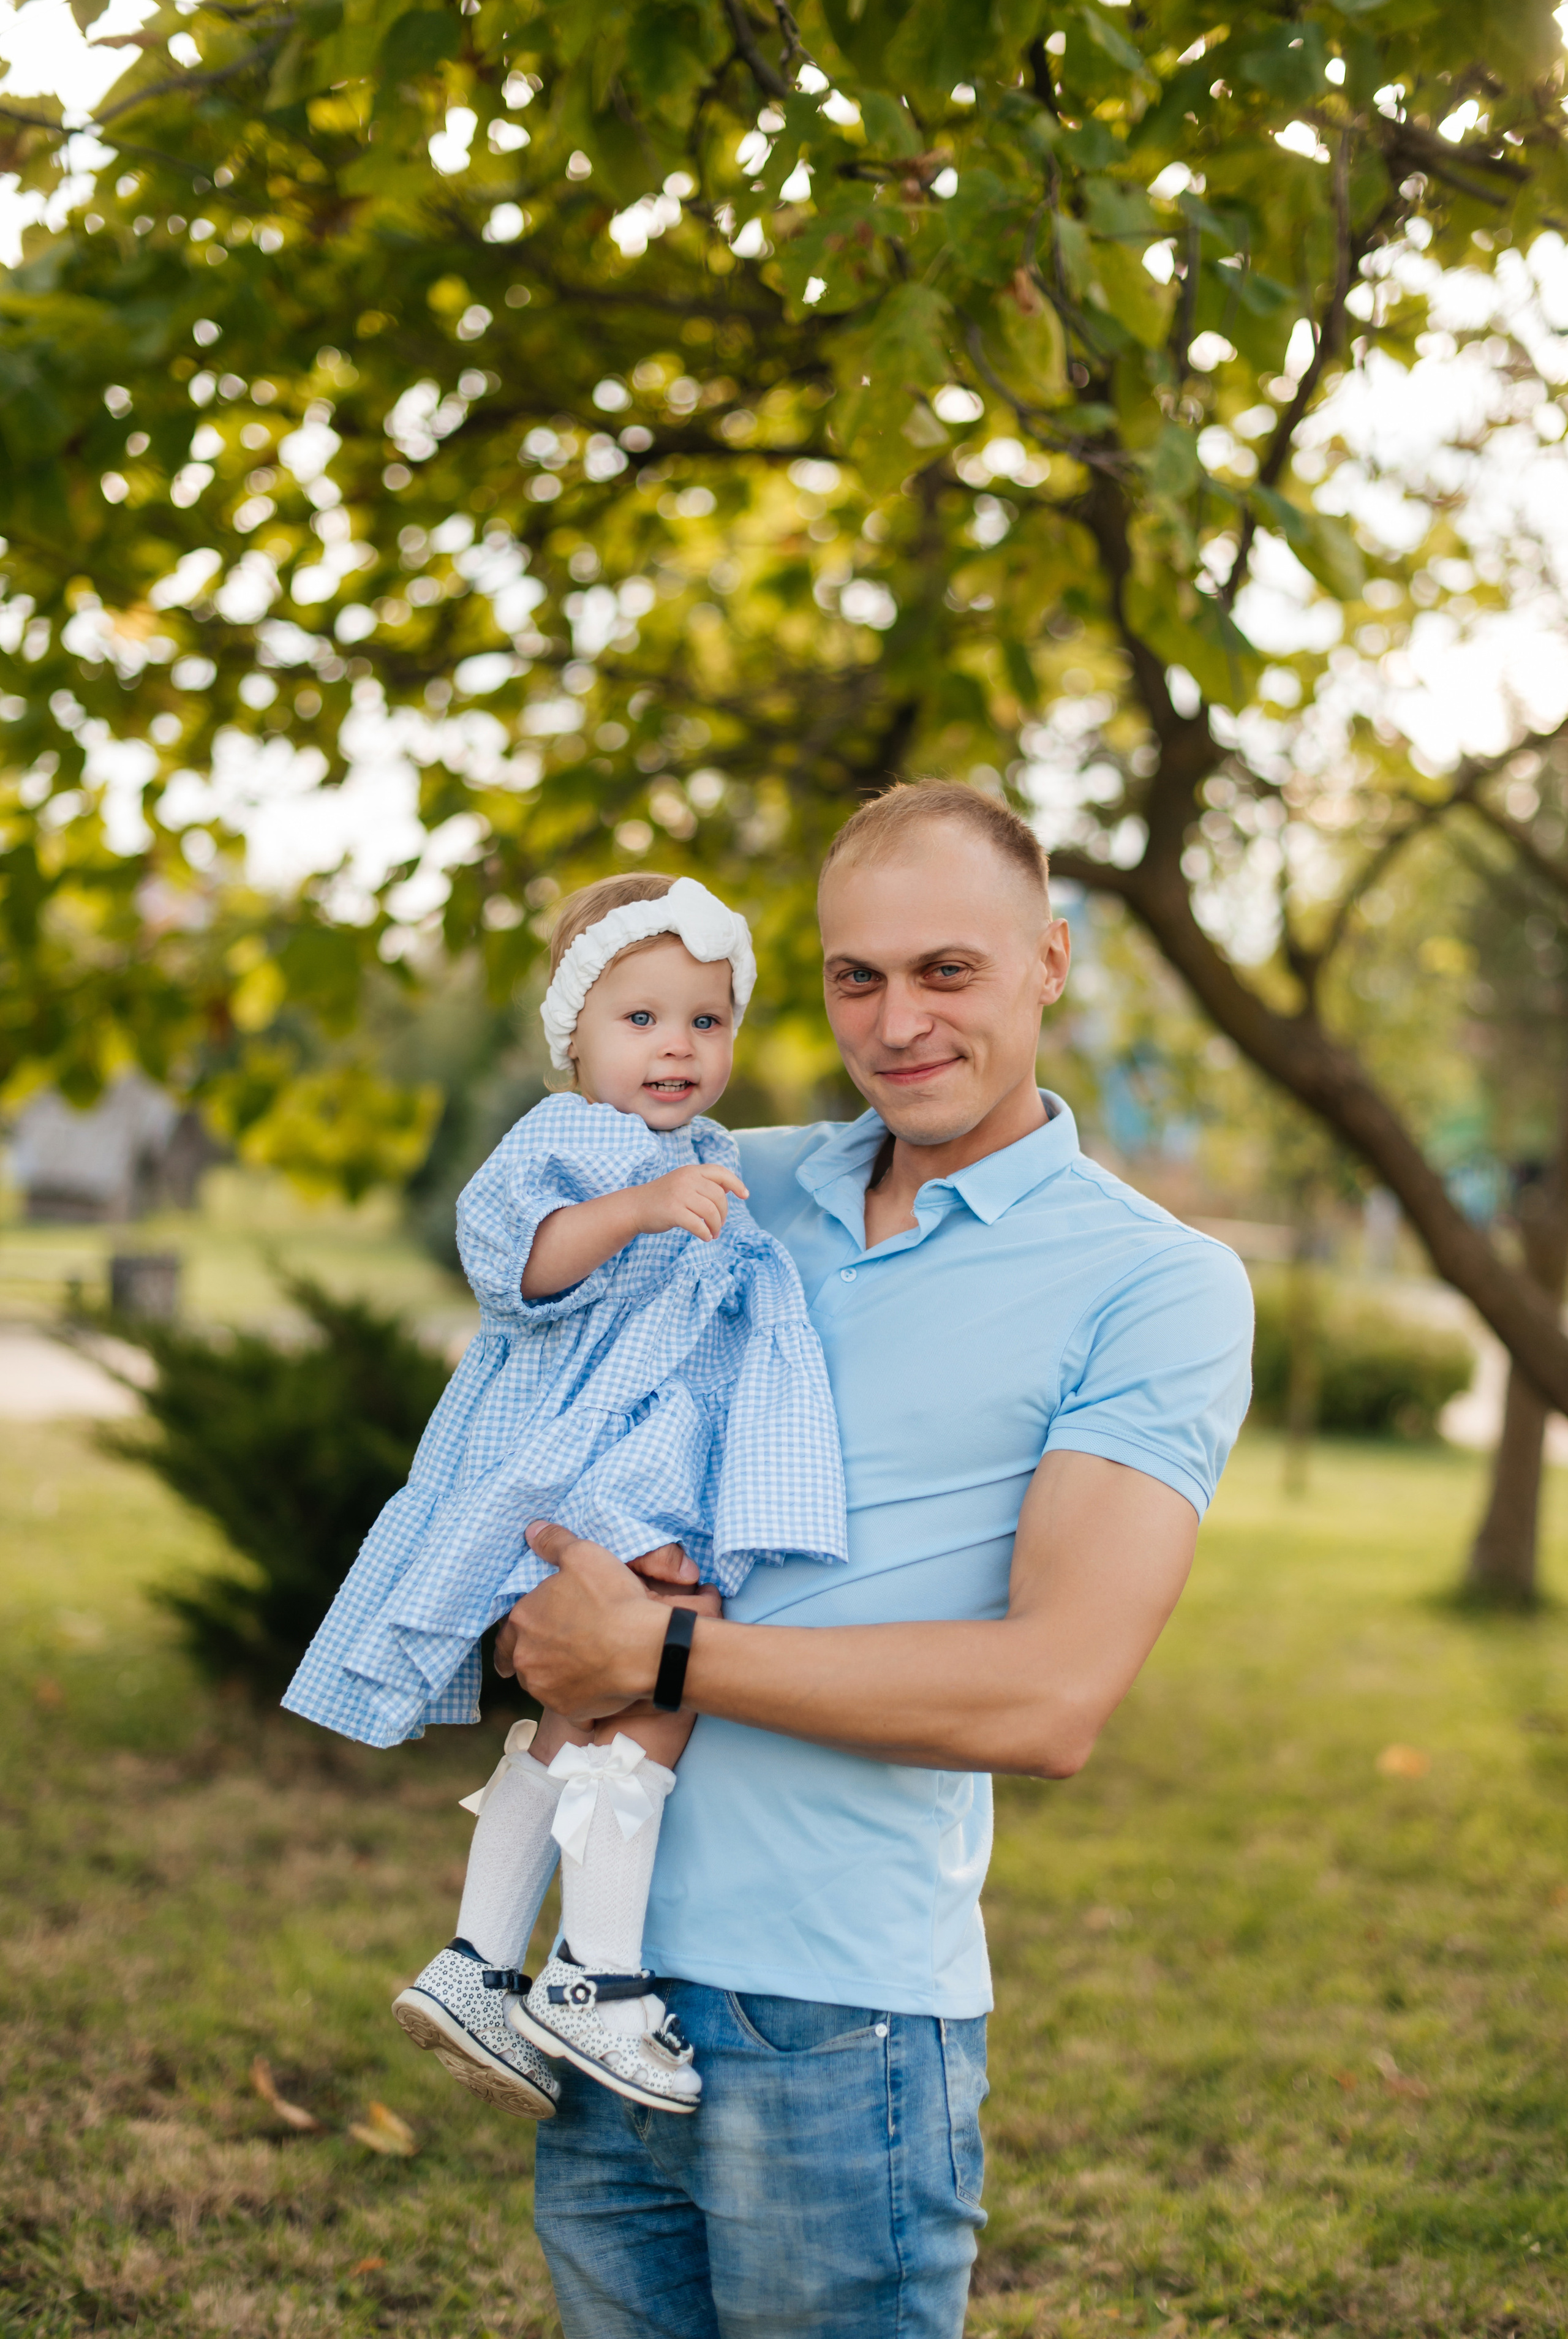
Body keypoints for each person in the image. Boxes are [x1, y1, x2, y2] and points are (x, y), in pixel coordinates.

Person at [497, 782, 1255, 2339]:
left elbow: (1049, 1697)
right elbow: (529, 1378)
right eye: (856, 977)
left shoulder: (1156, 1284)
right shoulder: (728, 1187)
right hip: (597, 1978)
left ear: (1047, 963)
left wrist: (653, 1653)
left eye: (945, 971)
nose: (897, 1023)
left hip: (837, 2021)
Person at [282, 872, 847, 2119]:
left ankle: (480, 1961)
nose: (676, 1046)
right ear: (573, 1037)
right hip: (585, 1464)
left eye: (705, 1020)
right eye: (640, 1019)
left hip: (634, 1468)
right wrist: (639, 1210)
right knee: (665, 1675)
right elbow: (517, 1268)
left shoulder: (700, 1155)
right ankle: (594, 1975)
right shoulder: (572, 1140)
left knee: (586, 1712)